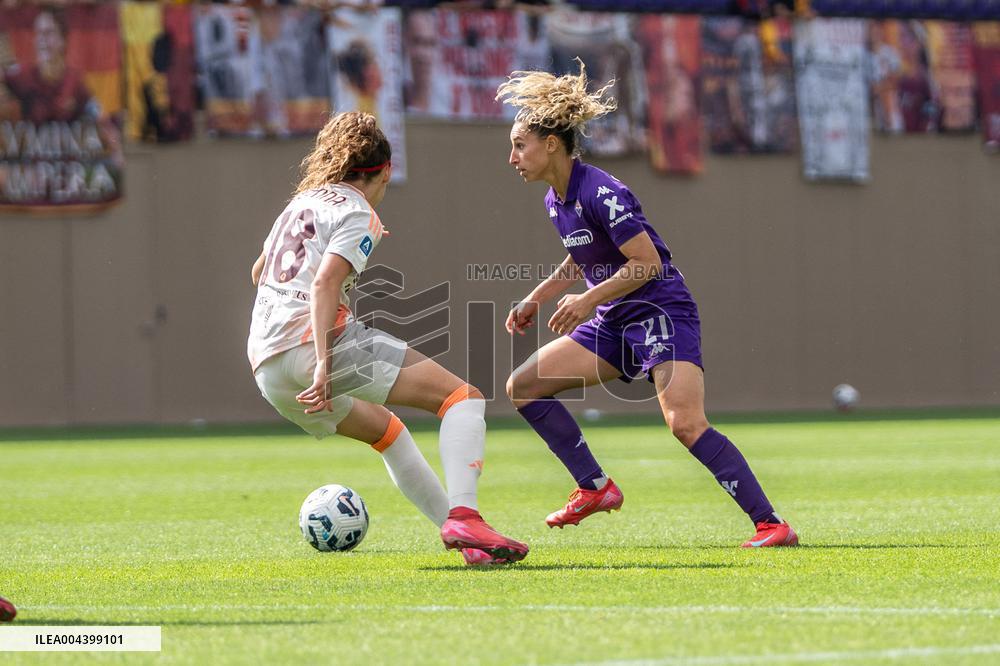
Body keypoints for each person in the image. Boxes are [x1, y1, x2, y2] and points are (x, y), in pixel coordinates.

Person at [496, 62, 798, 548]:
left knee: (685, 424)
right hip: (614, 319)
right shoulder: (557, 200)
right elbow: (582, 253)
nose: (512, 156)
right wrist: (537, 297)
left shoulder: (602, 191)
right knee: (525, 386)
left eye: (518, 144)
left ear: (551, 144)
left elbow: (648, 262)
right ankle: (594, 487)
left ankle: (771, 525)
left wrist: (585, 301)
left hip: (659, 311)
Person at [248, 111, 527, 566]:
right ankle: (466, 516)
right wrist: (322, 361)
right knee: (463, 398)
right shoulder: (358, 211)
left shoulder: (299, 205)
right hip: (316, 349)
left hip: (266, 365)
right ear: (384, 171)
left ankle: (472, 548)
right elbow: (323, 284)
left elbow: (260, 272)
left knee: (389, 433)